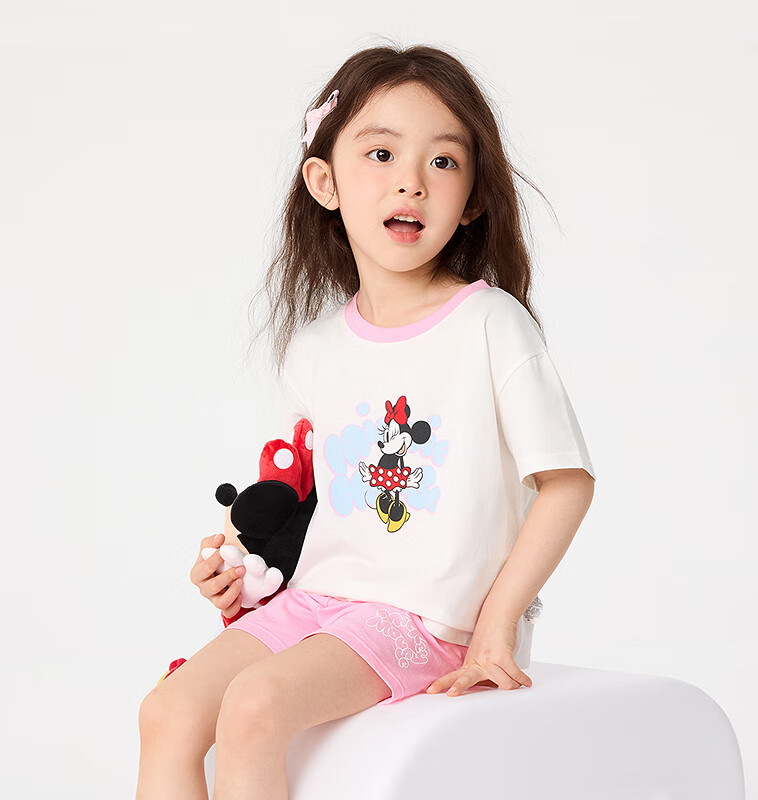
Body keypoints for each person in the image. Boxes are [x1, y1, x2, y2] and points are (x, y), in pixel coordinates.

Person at [137, 43, 596, 800]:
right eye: (381, 153)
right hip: (318, 601)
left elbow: (567, 483)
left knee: (254, 707)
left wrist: (497, 624)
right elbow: (305, 503)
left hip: (430, 617)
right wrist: (243, 578)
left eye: (443, 161)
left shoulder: (490, 324)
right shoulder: (315, 350)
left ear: (472, 198)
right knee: (166, 711)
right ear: (325, 181)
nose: (411, 180)